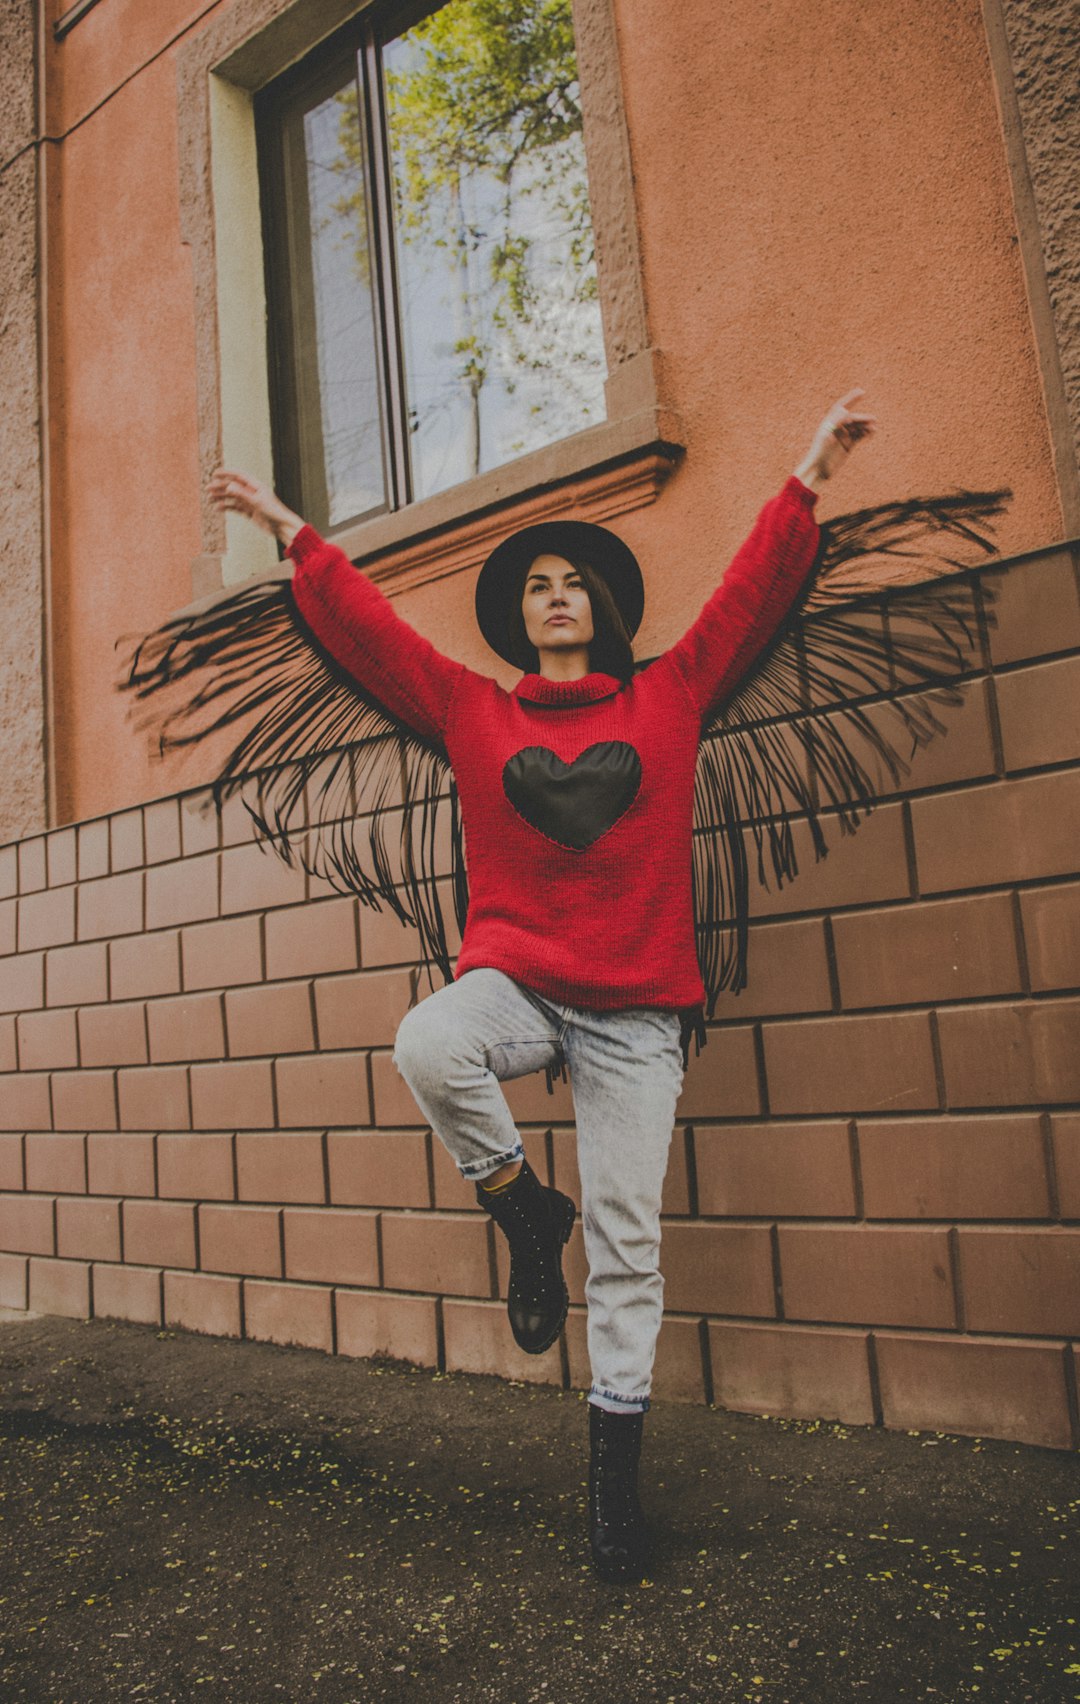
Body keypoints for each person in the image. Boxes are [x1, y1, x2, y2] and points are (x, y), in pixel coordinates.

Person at [206, 390, 876, 1583]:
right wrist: (295, 533)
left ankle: (613, 1493)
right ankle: (522, 1205)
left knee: (630, 1245)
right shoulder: (472, 711)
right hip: (518, 981)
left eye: (571, 580)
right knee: (426, 1042)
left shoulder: (668, 698)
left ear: (602, 607)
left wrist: (810, 470)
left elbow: (749, 595)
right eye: (534, 585)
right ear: (519, 621)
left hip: (635, 1014)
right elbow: (374, 636)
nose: (554, 595)